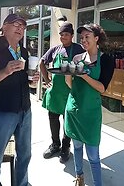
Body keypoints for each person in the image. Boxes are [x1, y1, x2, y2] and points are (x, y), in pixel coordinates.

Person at [0, 13, 39, 186]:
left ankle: (21, 184)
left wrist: (31, 80)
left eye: (23, 26)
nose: (20, 28)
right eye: (15, 24)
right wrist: (5, 71)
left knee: (25, 154)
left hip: (25, 110)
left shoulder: (25, 52)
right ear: (4, 27)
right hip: (1, 112)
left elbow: (26, 82)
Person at [64, 23, 115, 186]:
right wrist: (68, 74)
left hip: (91, 114)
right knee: (77, 148)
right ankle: (79, 177)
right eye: (82, 37)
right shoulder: (77, 58)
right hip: (74, 110)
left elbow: (102, 88)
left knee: (93, 155)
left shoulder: (106, 60)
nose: (83, 40)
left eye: (87, 37)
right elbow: (69, 83)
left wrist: (84, 76)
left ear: (97, 38)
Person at [39, 21, 85, 163]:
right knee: (53, 119)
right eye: (61, 34)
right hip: (55, 93)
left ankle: (65, 147)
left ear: (72, 36)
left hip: (70, 92)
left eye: (66, 34)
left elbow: (84, 68)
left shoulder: (79, 50)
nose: (63, 37)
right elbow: (41, 62)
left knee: (68, 122)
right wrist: (46, 79)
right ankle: (55, 144)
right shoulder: (55, 50)